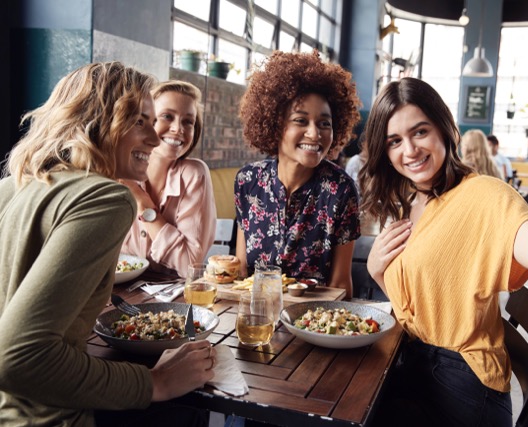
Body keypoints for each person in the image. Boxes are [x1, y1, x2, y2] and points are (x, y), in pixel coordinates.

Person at [359, 77, 528, 426]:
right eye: (394, 141)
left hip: (461, 385)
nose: (410, 151)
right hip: (417, 363)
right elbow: (421, 310)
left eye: (420, 132)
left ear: (446, 129)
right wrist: (377, 271)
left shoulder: (486, 196)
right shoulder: (414, 198)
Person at [0, 62, 215, 427]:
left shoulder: (15, 185)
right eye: (140, 122)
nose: (155, 137)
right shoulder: (107, 198)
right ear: (97, 122)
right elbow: (18, 356)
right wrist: (154, 383)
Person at [234, 50, 362, 298]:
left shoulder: (341, 189)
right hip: (256, 317)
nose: (315, 134)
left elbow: (340, 285)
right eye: (301, 121)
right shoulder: (248, 181)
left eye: (325, 123)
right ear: (275, 123)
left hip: (312, 322)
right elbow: (242, 270)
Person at [120, 80, 216, 277]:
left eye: (188, 121)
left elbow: (190, 266)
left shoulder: (194, 174)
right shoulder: (119, 172)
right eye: (167, 117)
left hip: (174, 301)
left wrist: (142, 200)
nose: (178, 128)